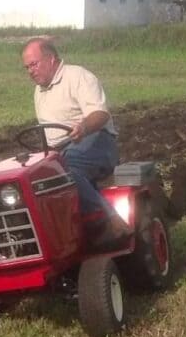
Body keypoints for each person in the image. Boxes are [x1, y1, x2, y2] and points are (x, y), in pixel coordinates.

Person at [21, 37, 132, 250]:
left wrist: (83, 127)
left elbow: (100, 114)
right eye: (27, 67)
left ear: (51, 59)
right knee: (35, 178)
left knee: (64, 170)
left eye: (34, 64)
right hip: (63, 150)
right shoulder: (39, 91)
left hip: (97, 141)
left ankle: (109, 218)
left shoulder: (78, 76)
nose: (30, 71)